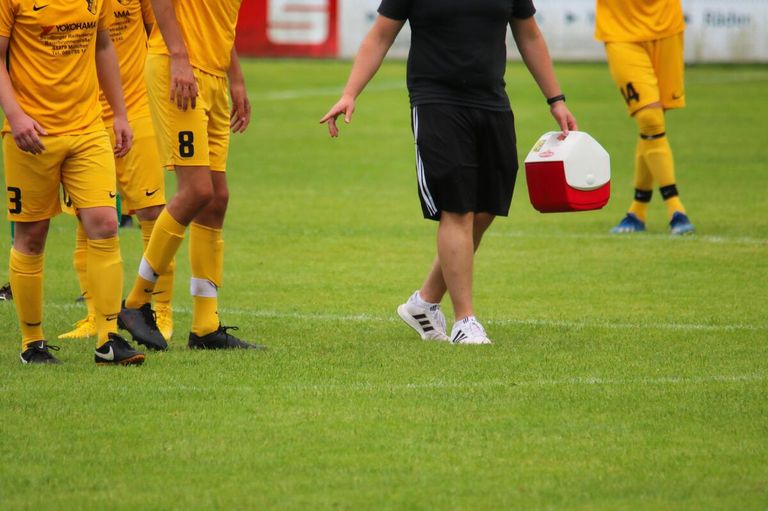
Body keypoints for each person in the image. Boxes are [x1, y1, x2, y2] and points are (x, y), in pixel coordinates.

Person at [321, 0, 577, 344]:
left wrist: (555, 99)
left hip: (492, 101)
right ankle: (465, 321)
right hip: (435, 101)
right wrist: (350, 93)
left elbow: (529, 35)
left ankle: (424, 302)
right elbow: (380, 36)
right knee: (457, 209)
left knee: (487, 208)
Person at [0, 0, 144, 365]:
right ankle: (32, 342)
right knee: (31, 236)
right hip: (31, 134)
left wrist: (120, 114)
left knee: (106, 224)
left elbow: (103, 45)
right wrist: (15, 116)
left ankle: (108, 338)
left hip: (89, 129)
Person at [118, 0, 264, 350]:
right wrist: (179, 57)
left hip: (212, 75)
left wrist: (237, 79)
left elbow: (217, 23)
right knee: (197, 190)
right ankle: (136, 302)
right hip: (179, 70)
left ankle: (205, 327)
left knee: (216, 199)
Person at [58, 0, 176, 347]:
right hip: (82, 114)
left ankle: (161, 310)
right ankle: (95, 314)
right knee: (86, 216)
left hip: (137, 107)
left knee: (153, 211)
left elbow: (161, 31)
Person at [596, 0, 695, 235]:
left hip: (666, 24)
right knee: (650, 117)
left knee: (653, 124)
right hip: (620, 30)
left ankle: (637, 212)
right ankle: (676, 209)